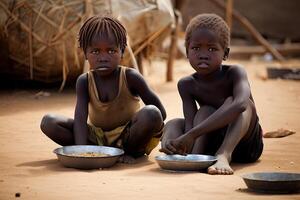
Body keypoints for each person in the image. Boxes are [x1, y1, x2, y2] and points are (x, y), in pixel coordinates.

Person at [40, 15, 166, 163]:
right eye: (95, 52)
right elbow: (80, 118)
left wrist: (141, 132)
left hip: (129, 136)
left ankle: (129, 152)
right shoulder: (84, 81)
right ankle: (97, 150)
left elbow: (160, 113)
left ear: (122, 51)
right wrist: (82, 152)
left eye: (111, 51)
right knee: (49, 122)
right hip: (97, 138)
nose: (103, 57)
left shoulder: (131, 77)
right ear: (85, 54)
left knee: (151, 113)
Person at [160, 13, 263, 175]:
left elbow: (241, 104)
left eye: (212, 48)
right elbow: (190, 124)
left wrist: (192, 134)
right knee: (178, 121)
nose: (203, 54)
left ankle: (224, 154)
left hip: (245, 146)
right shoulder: (187, 84)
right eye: (196, 48)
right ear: (187, 53)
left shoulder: (235, 73)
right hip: (211, 144)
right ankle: (192, 157)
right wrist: (184, 139)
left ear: (226, 54)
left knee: (240, 103)